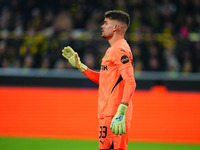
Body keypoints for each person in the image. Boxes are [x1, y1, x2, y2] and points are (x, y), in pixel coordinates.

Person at [62, 10, 136, 150]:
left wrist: (121, 112)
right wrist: (80, 66)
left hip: (114, 116)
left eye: (106, 23)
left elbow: (130, 82)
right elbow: (105, 80)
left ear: (115, 28)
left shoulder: (119, 50)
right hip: (107, 114)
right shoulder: (112, 50)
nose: (102, 26)